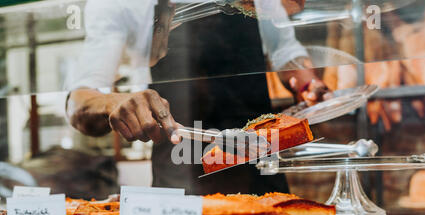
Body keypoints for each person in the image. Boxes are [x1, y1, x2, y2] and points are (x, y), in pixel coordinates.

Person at [66, 0, 331, 195]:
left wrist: (307, 82)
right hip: (180, 175)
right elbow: (81, 100)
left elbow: (285, 49)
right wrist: (114, 102)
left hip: (258, 168)